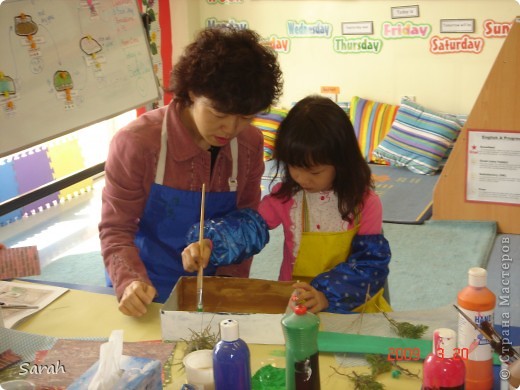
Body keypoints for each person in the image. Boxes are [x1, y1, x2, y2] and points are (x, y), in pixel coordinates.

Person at [99, 26, 283, 317]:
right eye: (219, 114)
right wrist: (130, 282)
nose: (230, 129)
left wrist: (227, 283)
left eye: (245, 118)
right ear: (192, 92)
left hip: (214, 287)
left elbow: (246, 222)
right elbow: (116, 229)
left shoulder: (249, 144)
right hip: (148, 288)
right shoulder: (137, 144)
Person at [183, 95, 391, 314]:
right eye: (293, 167)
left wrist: (326, 295)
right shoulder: (287, 197)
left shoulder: (366, 203)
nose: (302, 179)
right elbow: (248, 228)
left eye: (314, 172)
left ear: (342, 162)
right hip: (296, 304)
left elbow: (369, 264)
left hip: (350, 306)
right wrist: (210, 242)